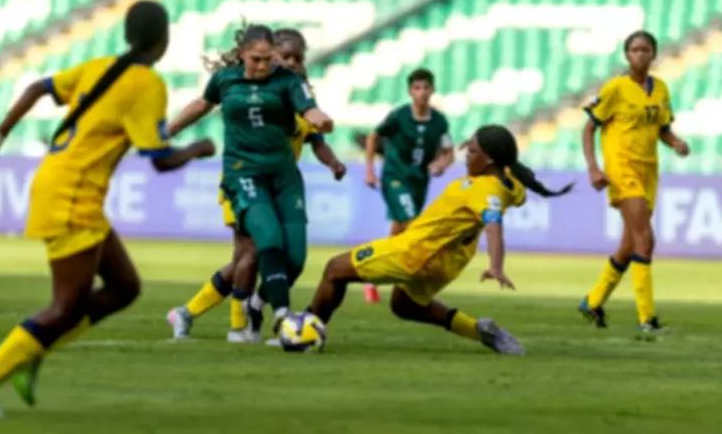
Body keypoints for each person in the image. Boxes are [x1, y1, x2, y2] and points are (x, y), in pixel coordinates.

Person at [0, 0, 216, 419]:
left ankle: (38, 345)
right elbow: (160, 159)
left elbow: (39, 87)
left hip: (62, 185)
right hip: (72, 196)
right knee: (65, 306)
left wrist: (0, 134)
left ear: (129, 35)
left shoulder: (100, 67)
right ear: (164, 40)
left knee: (124, 287)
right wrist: (199, 147)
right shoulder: (146, 84)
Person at [308, 125, 573, 353]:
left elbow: (493, 225)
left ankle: (305, 332)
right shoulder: (510, 185)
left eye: (472, 151)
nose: (466, 155)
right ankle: (480, 331)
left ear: (489, 159)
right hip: (446, 263)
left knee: (334, 269)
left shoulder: (484, 189)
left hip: (415, 252)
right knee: (404, 306)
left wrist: (496, 265)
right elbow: (514, 191)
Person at [166, 27, 346, 343]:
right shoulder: (233, 82)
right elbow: (201, 105)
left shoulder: (294, 90)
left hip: (282, 178)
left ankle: (192, 312)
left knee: (271, 258)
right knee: (253, 250)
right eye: (283, 56)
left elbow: (315, 131)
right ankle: (246, 325)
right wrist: (167, 131)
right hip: (242, 175)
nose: (286, 62)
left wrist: (329, 148)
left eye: (296, 57)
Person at [578, 30, 689, 335]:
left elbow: (662, 128)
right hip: (621, 169)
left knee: (629, 244)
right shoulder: (615, 88)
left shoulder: (661, 89)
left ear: (653, 54)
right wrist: (593, 167)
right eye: (635, 50)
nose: (640, 55)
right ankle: (647, 320)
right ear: (626, 55)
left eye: (646, 50)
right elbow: (588, 129)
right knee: (645, 239)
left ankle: (592, 301)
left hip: (648, 171)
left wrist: (676, 142)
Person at [362, 68, 455, 303]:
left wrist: (440, 164)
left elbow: (448, 152)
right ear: (410, 91)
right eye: (417, 88)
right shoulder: (399, 116)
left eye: (426, 88)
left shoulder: (439, 121)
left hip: (419, 181)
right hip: (395, 177)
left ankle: (370, 272)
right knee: (412, 221)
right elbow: (373, 136)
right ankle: (411, 275)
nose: (422, 93)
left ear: (432, 90)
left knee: (398, 231)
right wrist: (370, 170)